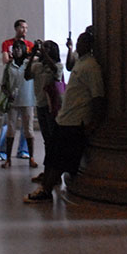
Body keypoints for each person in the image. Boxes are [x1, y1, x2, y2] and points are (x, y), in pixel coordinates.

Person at [25, 30, 105, 203]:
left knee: (57, 157)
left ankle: (45, 190)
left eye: (82, 42)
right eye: (78, 41)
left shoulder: (91, 66)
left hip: (76, 119)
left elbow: (98, 97)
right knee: (54, 155)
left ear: (90, 45)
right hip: (66, 118)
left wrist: (94, 123)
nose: (78, 44)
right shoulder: (81, 62)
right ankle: (46, 186)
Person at [25, 38, 64, 182]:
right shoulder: (37, 66)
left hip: (52, 107)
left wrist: (43, 52)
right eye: (44, 47)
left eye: (48, 48)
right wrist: (33, 54)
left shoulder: (57, 65)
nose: (44, 49)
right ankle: (48, 171)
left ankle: (55, 172)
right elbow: (27, 75)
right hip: (41, 105)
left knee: (54, 140)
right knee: (47, 140)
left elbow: (55, 70)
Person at [0, 19, 34, 162]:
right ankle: (3, 152)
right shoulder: (7, 43)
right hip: (12, 84)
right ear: (16, 28)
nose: (25, 30)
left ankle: (23, 150)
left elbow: (33, 60)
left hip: (25, 92)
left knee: (26, 126)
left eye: (26, 27)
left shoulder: (30, 45)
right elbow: (6, 60)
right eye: (22, 27)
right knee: (7, 124)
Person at [0, 39, 38, 168]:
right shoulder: (9, 66)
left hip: (27, 100)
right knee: (11, 129)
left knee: (28, 129)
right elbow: (4, 84)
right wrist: (8, 93)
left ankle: (31, 156)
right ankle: (8, 158)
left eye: (19, 48)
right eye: (14, 48)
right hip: (13, 101)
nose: (16, 50)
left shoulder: (29, 64)